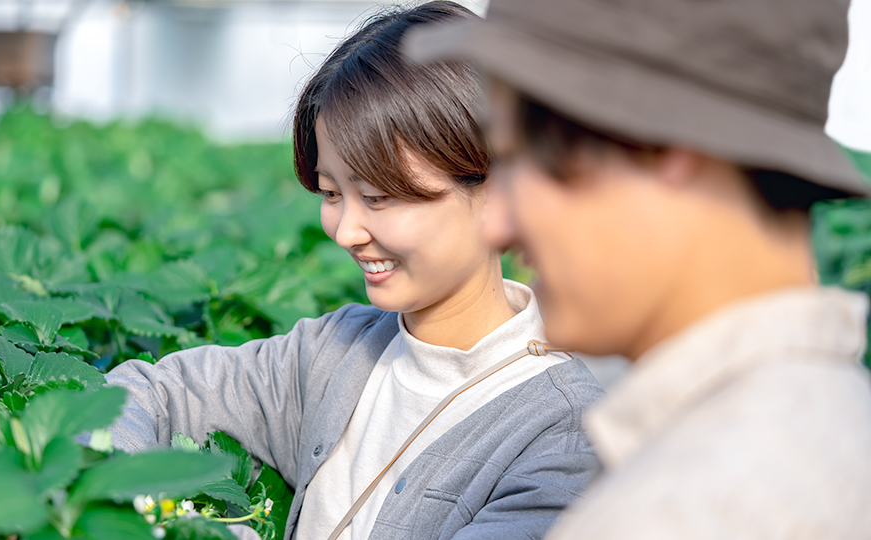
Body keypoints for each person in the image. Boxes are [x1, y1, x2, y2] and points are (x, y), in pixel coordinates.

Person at [103, 3, 605, 540]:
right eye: (331, 193)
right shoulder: (334, 354)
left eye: (379, 196)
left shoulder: (564, 435)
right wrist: (117, 497)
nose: (345, 231)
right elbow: (146, 392)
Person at [404, 0, 871, 538]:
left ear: (669, 142)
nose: (497, 226)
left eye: (516, 159)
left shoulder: (677, 512)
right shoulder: (829, 421)